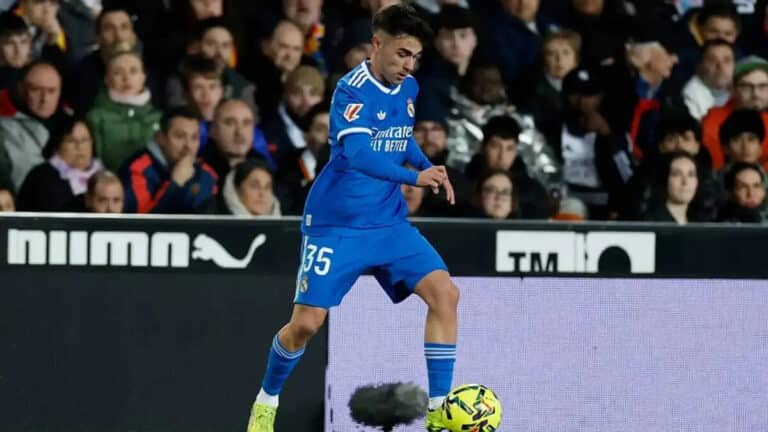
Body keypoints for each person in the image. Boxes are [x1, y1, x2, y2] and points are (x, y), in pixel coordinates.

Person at [246, 5, 459, 432]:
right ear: (377, 44)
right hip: (336, 225)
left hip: (388, 223)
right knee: (306, 324)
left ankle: (439, 414)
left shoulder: (410, 87)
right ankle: (266, 401)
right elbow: (360, 156)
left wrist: (427, 166)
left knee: (445, 294)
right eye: (402, 53)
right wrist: (413, 176)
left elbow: (401, 141)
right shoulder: (351, 90)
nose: (408, 65)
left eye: (414, 56)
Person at [16, 115, 103, 211]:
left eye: (84, 140)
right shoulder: (42, 177)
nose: (79, 147)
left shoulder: (104, 175)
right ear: (57, 145)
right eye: (71, 141)